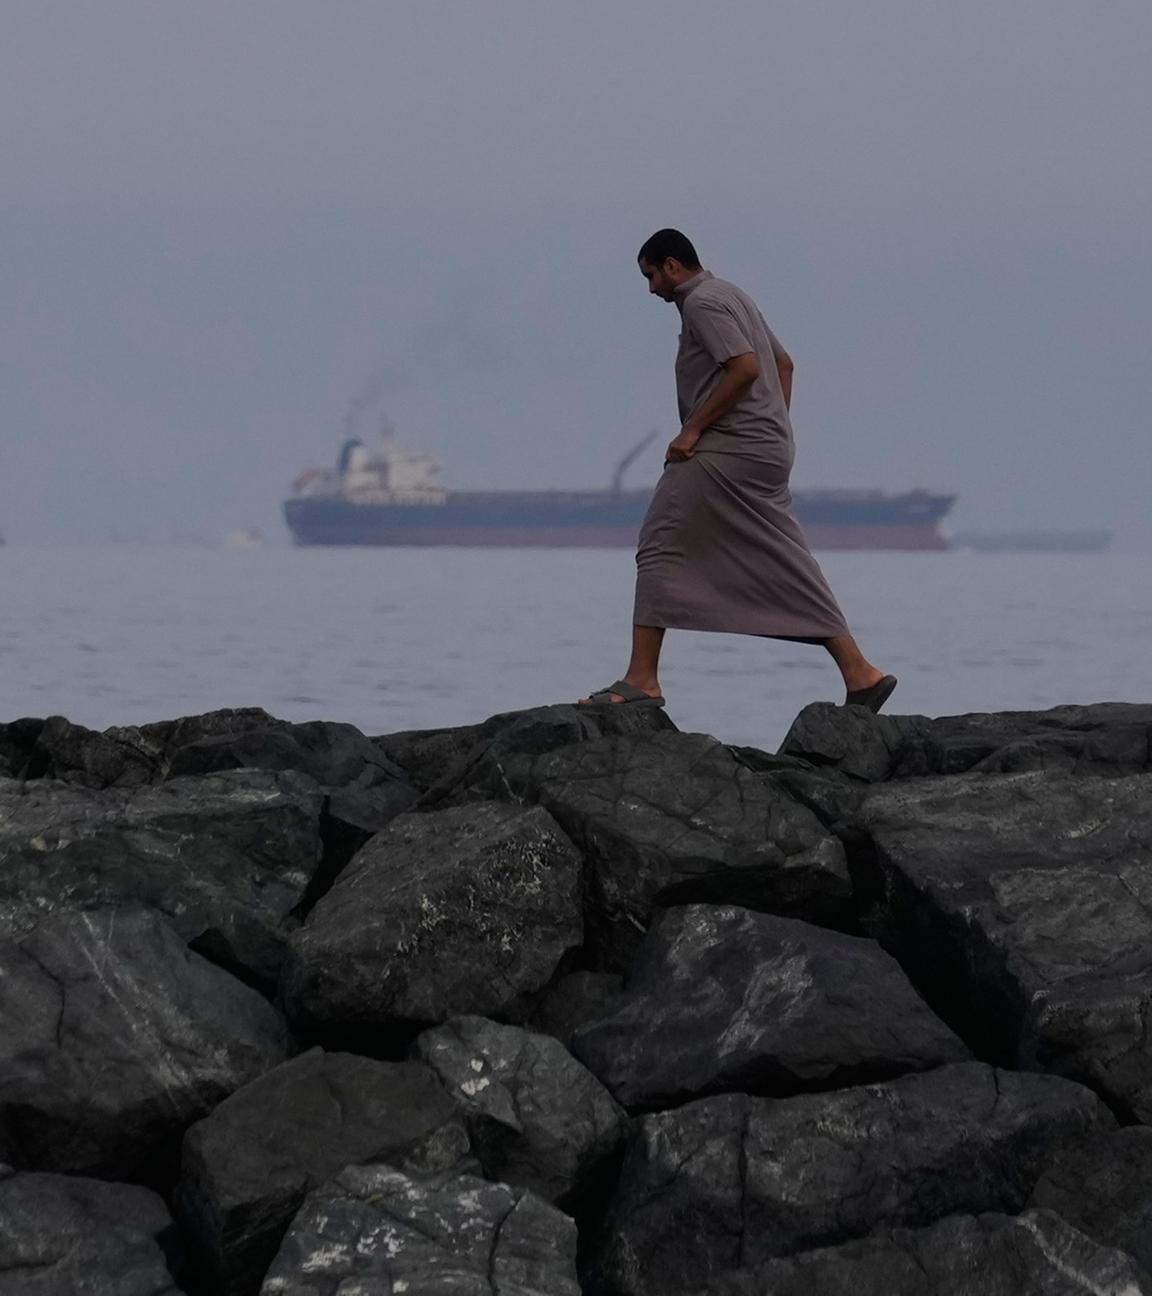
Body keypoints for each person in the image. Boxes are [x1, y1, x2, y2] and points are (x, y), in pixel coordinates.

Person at [580, 228, 896, 713]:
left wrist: (692, 431)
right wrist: (773, 427)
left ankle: (642, 678)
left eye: (650, 276)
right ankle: (859, 672)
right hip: (766, 450)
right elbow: (784, 365)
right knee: (785, 557)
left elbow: (745, 368)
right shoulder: (733, 294)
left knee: (659, 541)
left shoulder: (702, 303)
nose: (651, 290)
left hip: (725, 448)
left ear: (672, 266)